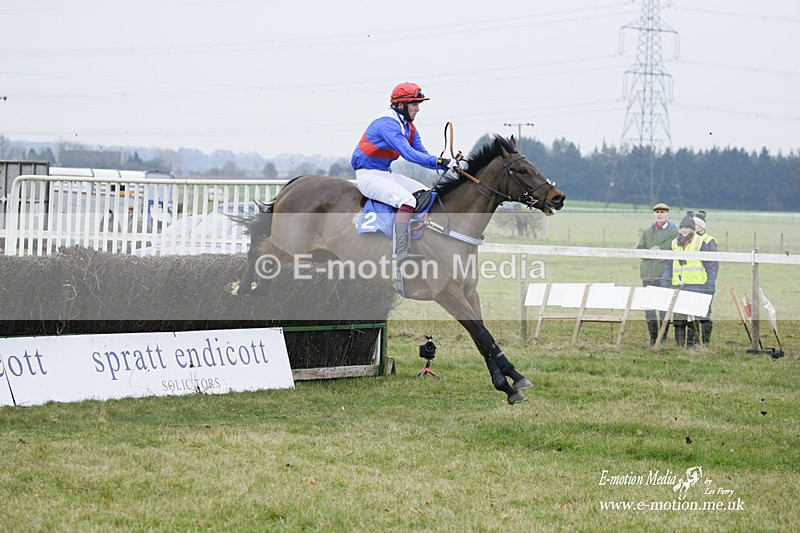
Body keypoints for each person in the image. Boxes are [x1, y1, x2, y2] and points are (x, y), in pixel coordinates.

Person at [351, 82, 456, 262]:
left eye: (418, 104)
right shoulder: (387, 123)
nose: (418, 109)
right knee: (407, 200)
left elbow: (422, 155)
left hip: (385, 173)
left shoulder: (409, 127)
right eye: (414, 104)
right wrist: (439, 161)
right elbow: (408, 154)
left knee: (427, 195)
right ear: (401, 105)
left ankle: (421, 241)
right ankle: (400, 253)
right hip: (368, 175)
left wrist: (447, 164)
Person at [661, 213, 719, 347]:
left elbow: (710, 265)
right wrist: (666, 279)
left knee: (695, 315)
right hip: (678, 285)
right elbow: (669, 264)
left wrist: (710, 282)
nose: (684, 230)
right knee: (679, 315)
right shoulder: (674, 243)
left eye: (687, 228)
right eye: (682, 228)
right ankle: (679, 345)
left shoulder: (700, 242)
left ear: (692, 229)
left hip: (696, 284)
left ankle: (695, 344)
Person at [636, 202, 678, 346]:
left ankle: (663, 339)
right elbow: (639, 250)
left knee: (663, 308)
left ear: (668, 214)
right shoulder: (647, 232)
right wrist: (649, 252)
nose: (659, 215)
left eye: (662, 212)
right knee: (649, 309)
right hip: (648, 274)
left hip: (664, 275)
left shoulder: (675, 233)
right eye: (657, 212)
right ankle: (653, 339)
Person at [693, 211, 718, 345]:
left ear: (701, 226)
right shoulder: (689, 240)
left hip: (706, 282)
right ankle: (695, 341)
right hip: (693, 281)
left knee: (704, 312)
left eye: (695, 224)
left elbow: (713, 265)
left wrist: (711, 283)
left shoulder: (709, 240)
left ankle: (706, 342)